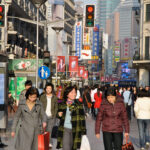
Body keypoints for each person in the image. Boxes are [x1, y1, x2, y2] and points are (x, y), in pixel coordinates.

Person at [56, 86, 86, 150]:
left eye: (75, 92)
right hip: (65, 129)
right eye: (72, 92)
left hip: (76, 129)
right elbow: (58, 114)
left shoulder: (78, 104)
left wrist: (84, 132)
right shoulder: (62, 104)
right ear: (67, 94)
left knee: (73, 148)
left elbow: (82, 118)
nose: (74, 94)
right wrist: (59, 114)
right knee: (66, 147)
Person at [40, 82, 58, 148]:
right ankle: (43, 141)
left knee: (49, 130)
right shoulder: (42, 97)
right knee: (43, 129)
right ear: (45, 89)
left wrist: (55, 115)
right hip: (44, 116)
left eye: (50, 88)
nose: (48, 89)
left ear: (52, 89)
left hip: (51, 116)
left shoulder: (55, 97)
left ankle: (49, 142)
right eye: (47, 88)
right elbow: (40, 106)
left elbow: (56, 107)